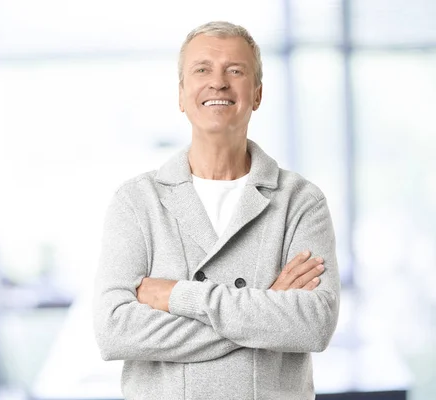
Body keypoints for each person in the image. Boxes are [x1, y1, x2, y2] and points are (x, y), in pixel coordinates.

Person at [93, 21, 340, 400]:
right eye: (202, 69)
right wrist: (266, 307)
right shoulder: (137, 202)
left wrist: (180, 296)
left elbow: (314, 325)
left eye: (235, 71)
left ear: (256, 94)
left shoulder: (301, 201)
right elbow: (113, 330)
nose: (218, 82)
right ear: (181, 94)